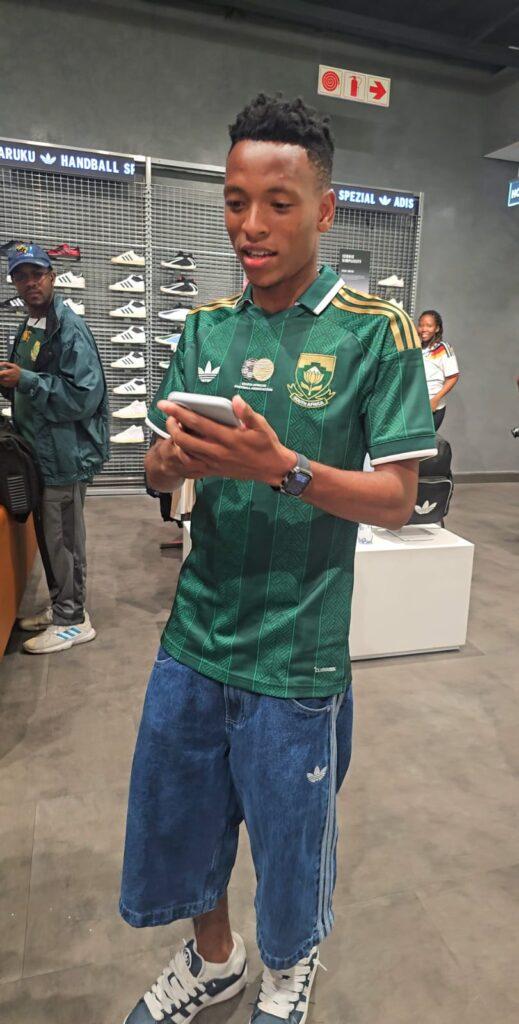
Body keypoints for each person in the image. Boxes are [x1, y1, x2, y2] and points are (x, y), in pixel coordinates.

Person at [119, 94, 436, 1024]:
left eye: (277, 203)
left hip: (297, 650)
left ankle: (289, 972)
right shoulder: (205, 328)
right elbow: (155, 465)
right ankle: (214, 960)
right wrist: (173, 461)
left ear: (323, 209)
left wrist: (282, 468)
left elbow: (397, 496)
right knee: (182, 821)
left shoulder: (375, 330)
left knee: (290, 843)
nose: (250, 225)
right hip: (195, 633)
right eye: (234, 201)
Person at [0, 242, 109, 654]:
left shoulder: (68, 327)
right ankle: (62, 604)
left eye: (36, 274)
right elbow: (28, 379)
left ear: (52, 277)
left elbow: (84, 396)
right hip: (40, 452)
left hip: (64, 455)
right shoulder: (31, 324)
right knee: (51, 538)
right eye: (20, 277)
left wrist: (25, 381)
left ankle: (73, 620)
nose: (30, 283)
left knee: (64, 541)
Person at [417, 309, 460, 430]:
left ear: (437, 328)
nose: (424, 329)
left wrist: (435, 400)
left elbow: (453, 377)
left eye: (429, 326)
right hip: (415, 406)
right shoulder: (415, 348)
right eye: (421, 325)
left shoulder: (443, 348)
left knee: (425, 440)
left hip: (433, 407)